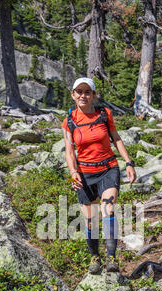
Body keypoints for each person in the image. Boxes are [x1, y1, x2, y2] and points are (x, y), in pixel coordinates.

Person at [62, 77, 136, 274]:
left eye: (87, 92)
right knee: (90, 220)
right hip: (84, 174)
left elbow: (117, 139)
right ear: (73, 95)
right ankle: (95, 257)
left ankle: (111, 257)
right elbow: (69, 152)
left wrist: (128, 162)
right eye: (79, 92)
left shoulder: (105, 114)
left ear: (94, 95)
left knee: (108, 210)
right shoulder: (69, 121)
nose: (83, 95)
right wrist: (73, 174)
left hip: (107, 169)